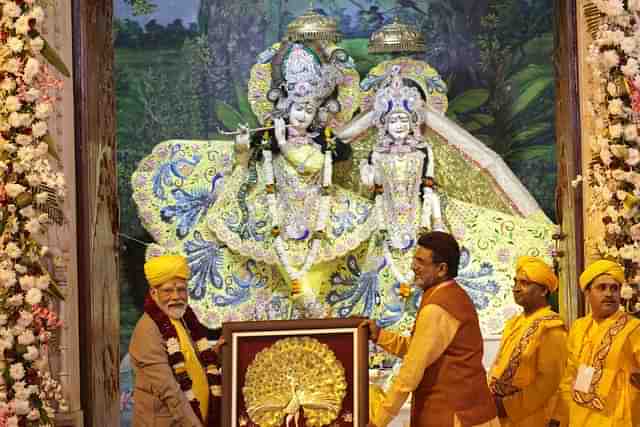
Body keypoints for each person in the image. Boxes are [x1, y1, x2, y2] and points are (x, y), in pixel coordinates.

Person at [365, 231, 499, 427]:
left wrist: (378, 421)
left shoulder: (438, 307)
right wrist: (380, 336)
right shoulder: (448, 294)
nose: (413, 266)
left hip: (455, 416)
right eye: (414, 259)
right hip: (468, 413)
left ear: (441, 269)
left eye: (420, 261)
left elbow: (410, 373)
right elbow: (420, 349)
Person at [129, 255, 222, 427]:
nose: (176, 296)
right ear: (153, 293)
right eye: (168, 291)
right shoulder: (148, 330)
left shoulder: (182, 319)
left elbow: (195, 363)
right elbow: (169, 390)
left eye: (181, 289)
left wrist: (221, 351)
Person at [552, 260, 640, 427]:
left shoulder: (633, 328)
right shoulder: (579, 327)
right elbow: (569, 375)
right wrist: (559, 416)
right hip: (579, 415)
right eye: (602, 288)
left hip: (617, 418)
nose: (609, 293)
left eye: (614, 288)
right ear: (587, 293)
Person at [488, 256, 567, 427]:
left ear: (544, 290)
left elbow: (549, 382)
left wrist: (509, 406)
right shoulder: (514, 323)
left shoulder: (551, 327)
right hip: (500, 414)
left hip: (531, 417)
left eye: (524, 283)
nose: (516, 288)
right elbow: (498, 365)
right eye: (515, 282)